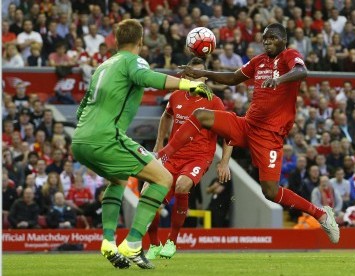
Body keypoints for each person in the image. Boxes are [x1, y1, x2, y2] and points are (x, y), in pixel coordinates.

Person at [159, 23, 339, 244]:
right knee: (201, 114)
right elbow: (233, 78)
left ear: (283, 40)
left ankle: (321, 214)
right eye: (264, 38)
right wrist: (202, 73)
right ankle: (164, 155)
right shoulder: (258, 61)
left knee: (270, 192)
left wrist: (279, 80)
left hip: (269, 136)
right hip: (247, 125)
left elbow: (302, 71)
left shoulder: (289, 56)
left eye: (272, 38)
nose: (267, 42)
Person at [71, 19, 212, 269]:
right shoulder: (132, 60)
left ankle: (107, 241)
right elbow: (146, 77)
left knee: (118, 180)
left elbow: (82, 106)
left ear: (116, 40)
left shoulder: (103, 66)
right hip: (107, 136)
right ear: (141, 41)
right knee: (163, 178)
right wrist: (188, 84)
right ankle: (134, 242)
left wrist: (87, 133)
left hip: (80, 139)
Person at [145, 57, 232, 260]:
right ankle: (154, 244)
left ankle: (172, 242)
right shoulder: (176, 97)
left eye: (202, 75)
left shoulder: (214, 102)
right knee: (150, 197)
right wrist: (159, 145)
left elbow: (230, 133)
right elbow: (166, 116)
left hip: (199, 157)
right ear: (185, 77)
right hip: (173, 156)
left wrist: (224, 161)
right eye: (195, 75)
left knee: (183, 185)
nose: (200, 79)